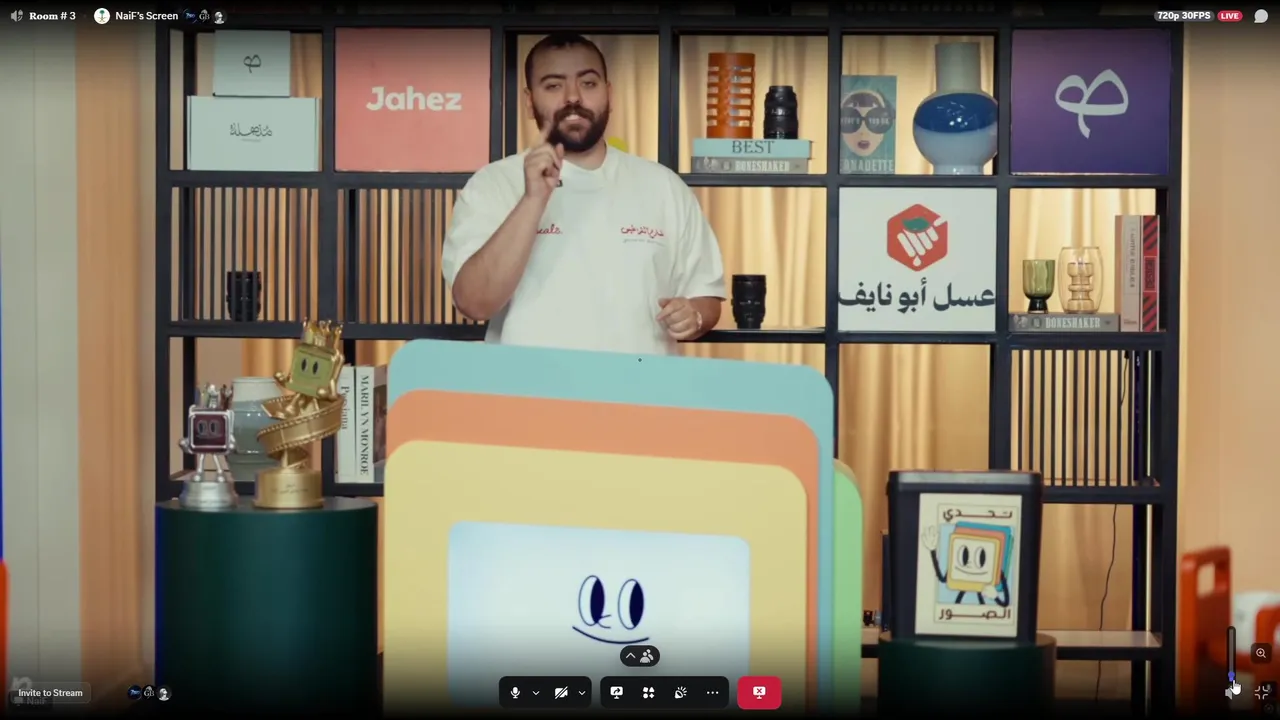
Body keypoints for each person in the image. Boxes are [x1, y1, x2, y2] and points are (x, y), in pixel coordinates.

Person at [442, 33, 726, 355]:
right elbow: (474, 303)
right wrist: (532, 200)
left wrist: (694, 315)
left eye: (588, 83)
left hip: (640, 384)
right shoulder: (494, 184)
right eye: (553, 86)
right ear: (529, 101)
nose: (573, 98)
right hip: (528, 385)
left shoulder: (663, 186)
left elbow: (706, 296)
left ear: (609, 94)